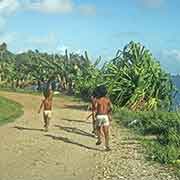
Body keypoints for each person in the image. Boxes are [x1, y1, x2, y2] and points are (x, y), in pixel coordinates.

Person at [95, 85, 112, 151]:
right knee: (106, 132)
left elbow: (95, 107)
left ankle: (99, 139)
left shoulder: (98, 100)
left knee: (98, 128)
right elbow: (111, 108)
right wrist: (109, 115)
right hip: (105, 116)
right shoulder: (107, 100)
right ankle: (107, 145)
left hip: (99, 116)